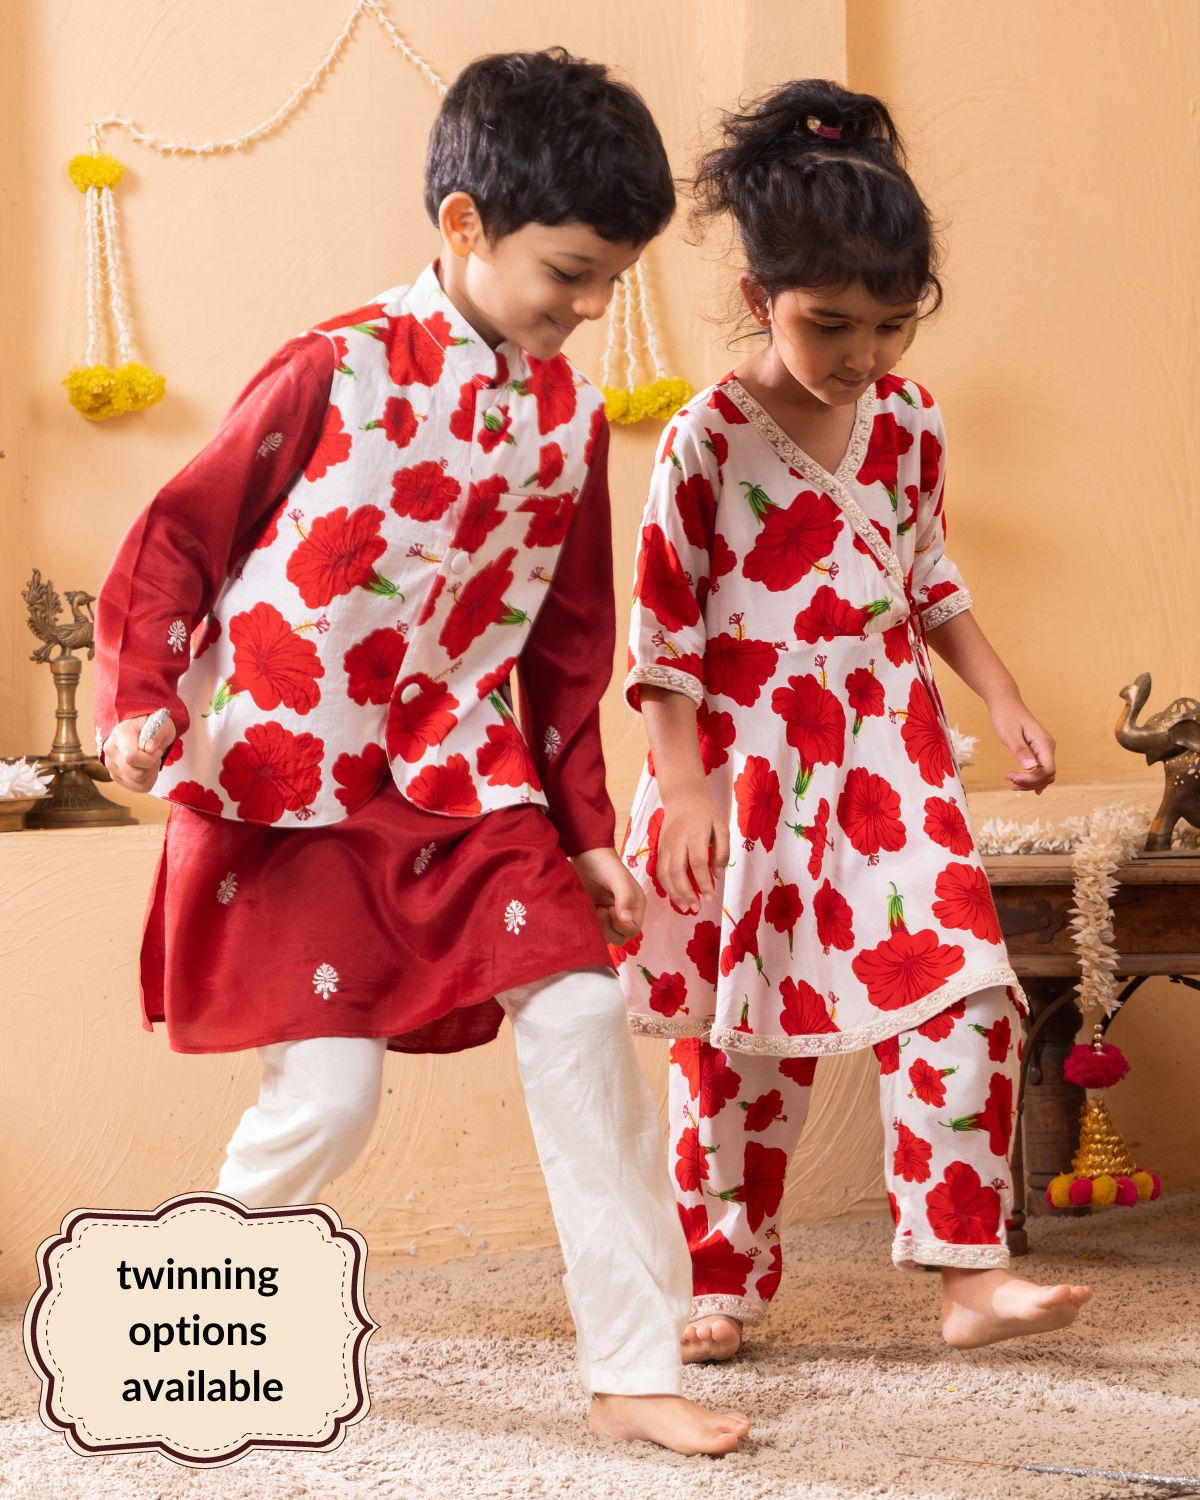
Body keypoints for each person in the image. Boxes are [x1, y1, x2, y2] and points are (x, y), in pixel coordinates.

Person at [94, 48, 750, 1455]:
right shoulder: (330, 368)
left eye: (611, 280)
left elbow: (568, 645)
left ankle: (634, 1369)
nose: (590, 307)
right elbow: (177, 539)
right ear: (464, 225)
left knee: (583, 1019)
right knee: (327, 1106)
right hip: (291, 781)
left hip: (470, 781)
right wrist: (140, 699)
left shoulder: (571, 421)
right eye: (569, 273)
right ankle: (176, 1337)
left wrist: (587, 834)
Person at [614, 78, 1092, 1364]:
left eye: (892, 325)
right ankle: (718, 1278)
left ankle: (969, 1271)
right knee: (737, 1037)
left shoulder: (910, 422)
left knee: (965, 991)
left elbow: (926, 572)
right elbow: (661, 631)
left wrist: (1002, 694)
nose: (863, 355)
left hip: (890, 751)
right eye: (831, 325)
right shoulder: (705, 438)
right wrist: (686, 787)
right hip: (742, 763)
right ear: (760, 293)